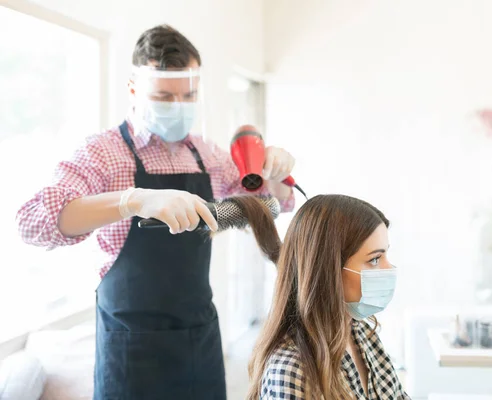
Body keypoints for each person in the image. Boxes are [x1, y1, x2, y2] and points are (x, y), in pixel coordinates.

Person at [15, 24, 295, 400]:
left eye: (189, 95)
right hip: (130, 354)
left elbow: (267, 206)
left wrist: (276, 173)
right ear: (134, 89)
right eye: (164, 96)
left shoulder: (208, 155)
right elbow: (33, 222)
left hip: (200, 341)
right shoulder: (103, 154)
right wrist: (131, 200)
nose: (179, 107)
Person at [230, 195, 411, 400]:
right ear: (328, 269)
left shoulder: (361, 333)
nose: (390, 269)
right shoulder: (291, 370)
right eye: (375, 259)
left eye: (386, 255)